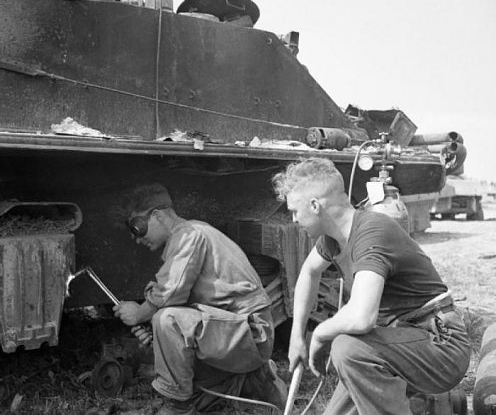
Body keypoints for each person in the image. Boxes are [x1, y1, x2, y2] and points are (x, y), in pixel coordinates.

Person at [272, 157, 471, 415]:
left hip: (441, 344)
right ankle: (438, 405)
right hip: (402, 339)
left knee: (348, 348)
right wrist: (297, 338)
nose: (293, 220)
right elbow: (309, 273)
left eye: (294, 211)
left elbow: (362, 317)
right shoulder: (334, 239)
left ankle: (428, 402)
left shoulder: (372, 232)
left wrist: (320, 334)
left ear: (315, 205)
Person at [113, 183, 287, 415]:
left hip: (248, 333)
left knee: (167, 319)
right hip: (240, 330)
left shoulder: (188, 235)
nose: (137, 239)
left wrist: (139, 313)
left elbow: (168, 295)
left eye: (137, 228)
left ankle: (177, 407)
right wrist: (154, 332)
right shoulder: (193, 233)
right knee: (199, 395)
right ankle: (254, 380)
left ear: (157, 216)